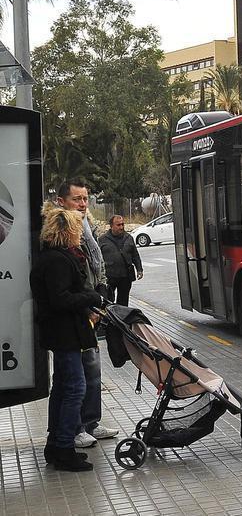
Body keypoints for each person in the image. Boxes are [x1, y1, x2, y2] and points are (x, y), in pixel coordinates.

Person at [32, 206, 105, 471]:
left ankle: (56, 445)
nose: (80, 235)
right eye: (76, 230)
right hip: (65, 334)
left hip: (61, 333)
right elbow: (61, 299)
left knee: (63, 387)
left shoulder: (52, 257)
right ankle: (64, 447)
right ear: (66, 231)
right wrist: (91, 297)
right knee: (75, 387)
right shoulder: (57, 261)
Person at [54, 179, 120, 448]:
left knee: (93, 371)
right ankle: (75, 428)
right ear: (62, 202)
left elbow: (97, 264)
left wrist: (102, 290)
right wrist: (88, 305)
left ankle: (91, 422)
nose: (82, 204)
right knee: (73, 378)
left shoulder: (86, 227)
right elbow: (68, 277)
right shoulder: (59, 231)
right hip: (75, 312)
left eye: (85, 199)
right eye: (76, 199)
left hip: (91, 306)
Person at [99, 215, 143, 307]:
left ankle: (122, 319)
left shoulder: (128, 238)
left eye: (122, 224)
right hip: (109, 276)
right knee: (108, 301)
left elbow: (135, 255)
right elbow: (98, 258)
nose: (121, 227)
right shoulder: (102, 239)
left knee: (123, 302)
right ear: (111, 226)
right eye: (118, 225)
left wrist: (139, 269)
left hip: (125, 276)